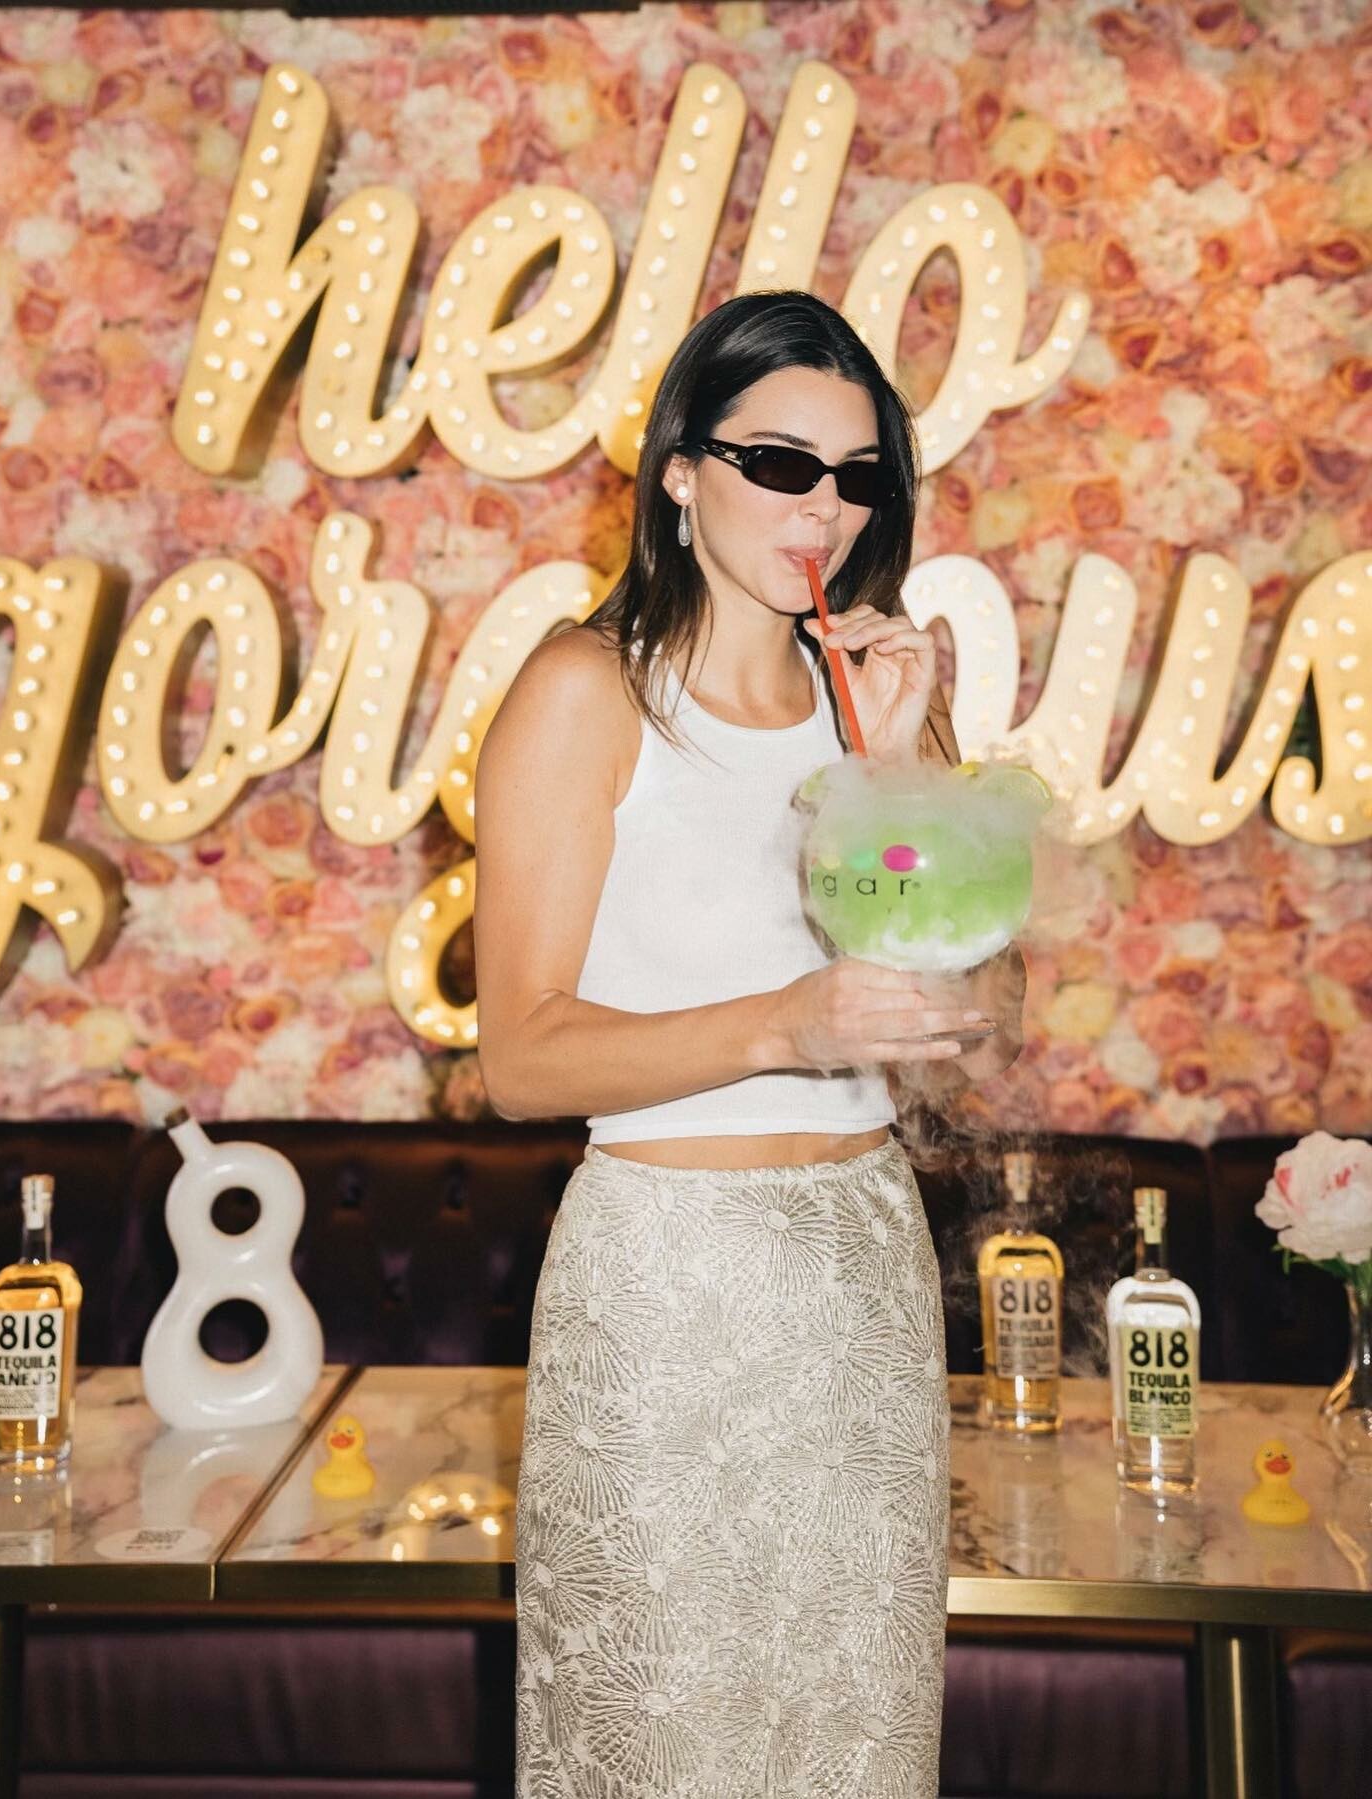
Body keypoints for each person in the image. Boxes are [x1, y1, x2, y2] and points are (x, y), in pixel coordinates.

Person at [475, 289, 1026, 1798]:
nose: (824, 509)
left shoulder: (880, 696)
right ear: (680, 471)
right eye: (781, 465)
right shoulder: (587, 691)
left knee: (853, 1739)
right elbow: (519, 1060)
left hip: (861, 1271)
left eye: (857, 477)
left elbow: (975, 1012)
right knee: (665, 1739)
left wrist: (904, 768)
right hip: (665, 1279)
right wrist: (787, 1023)